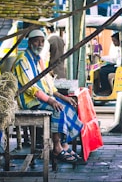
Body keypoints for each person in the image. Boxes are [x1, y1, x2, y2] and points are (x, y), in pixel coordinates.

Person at [12, 29, 83, 163]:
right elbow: (30, 88)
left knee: (68, 107)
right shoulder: (23, 61)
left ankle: (64, 145)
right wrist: (51, 101)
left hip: (41, 97)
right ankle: (56, 148)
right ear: (30, 42)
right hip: (29, 101)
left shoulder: (38, 60)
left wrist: (63, 97)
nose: (39, 44)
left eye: (42, 41)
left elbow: (48, 84)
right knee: (58, 110)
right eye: (36, 41)